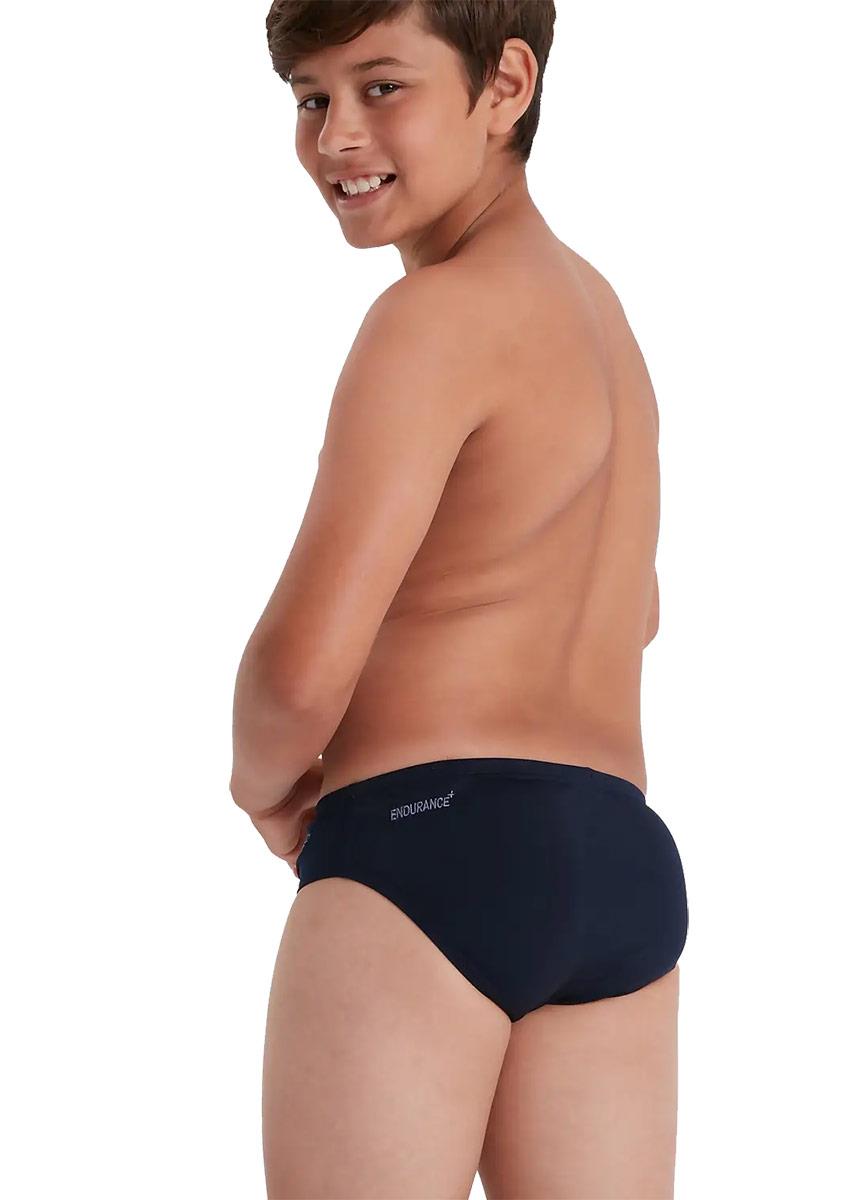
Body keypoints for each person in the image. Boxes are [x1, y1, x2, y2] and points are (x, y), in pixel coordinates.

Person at [229, 2, 689, 1196]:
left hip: (423, 850)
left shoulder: (428, 319)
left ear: (506, 84)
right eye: (310, 97)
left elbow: (297, 670)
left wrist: (265, 789)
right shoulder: (603, 325)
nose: (336, 135)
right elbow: (635, 609)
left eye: (381, 86)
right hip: (619, 867)